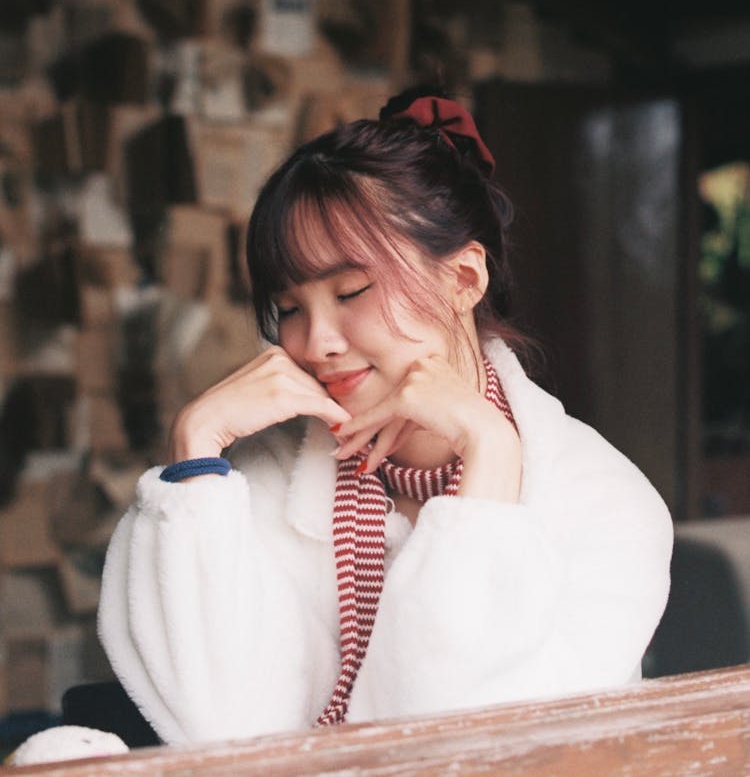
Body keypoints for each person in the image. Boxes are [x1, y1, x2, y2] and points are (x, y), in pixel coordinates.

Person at [96, 90, 673, 746]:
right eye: (288, 308)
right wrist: (195, 454)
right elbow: (220, 728)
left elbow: (455, 745)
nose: (315, 342)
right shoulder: (256, 482)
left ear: (463, 279)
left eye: (350, 293)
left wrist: (490, 456)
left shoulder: (601, 498)